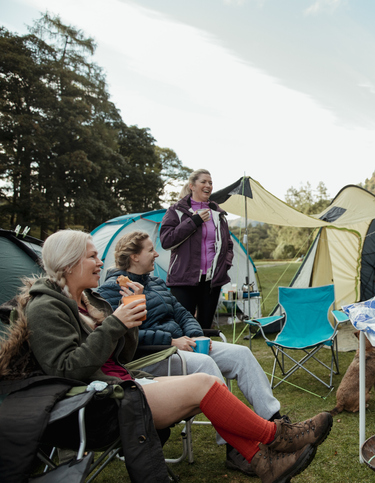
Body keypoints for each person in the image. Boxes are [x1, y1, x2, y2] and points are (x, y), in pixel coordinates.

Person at [10, 230, 333, 483]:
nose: (100, 262)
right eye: (92, 256)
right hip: (99, 405)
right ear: (69, 264)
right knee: (203, 383)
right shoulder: (46, 306)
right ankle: (277, 436)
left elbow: (121, 352)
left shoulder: (87, 301)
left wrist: (130, 321)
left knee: (207, 387)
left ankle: (264, 464)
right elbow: (66, 369)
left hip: (121, 385)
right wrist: (117, 323)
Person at [95, 230, 281, 475]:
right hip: (151, 357)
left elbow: (182, 313)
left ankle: (275, 422)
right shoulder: (112, 291)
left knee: (241, 354)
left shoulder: (156, 283)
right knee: (204, 365)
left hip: (184, 346)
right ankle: (235, 449)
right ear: (133, 256)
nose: (156, 254)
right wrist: (170, 341)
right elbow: (129, 336)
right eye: (151, 250)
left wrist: (195, 334)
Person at [160, 169, 232, 330]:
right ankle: (185, 356)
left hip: (211, 281)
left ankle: (205, 355)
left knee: (205, 327)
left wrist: (224, 266)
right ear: (192, 186)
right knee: (183, 328)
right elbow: (167, 241)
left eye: (210, 183)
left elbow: (228, 244)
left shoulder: (217, 214)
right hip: (184, 279)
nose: (208, 186)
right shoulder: (177, 211)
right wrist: (194, 221)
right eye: (204, 182)